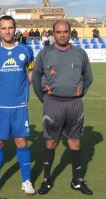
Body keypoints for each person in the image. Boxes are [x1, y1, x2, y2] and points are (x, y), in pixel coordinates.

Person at [32, 20, 94, 196]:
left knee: (75, 141)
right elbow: (36, 78)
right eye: (58, 32)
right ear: (53, 33)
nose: (62, 34)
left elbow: (88, 77)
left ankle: (77, 180)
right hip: (52, 103)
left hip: (74, 104)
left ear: (70, 32)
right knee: (51, 141)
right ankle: (47, 179)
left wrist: (78, 93)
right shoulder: (45, 53)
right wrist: (44, 98)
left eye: (65, 31)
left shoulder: (80, 53)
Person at [0, 15, 36, 196]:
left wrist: (24, 87)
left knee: (21, 142)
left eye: (10, 27)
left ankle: (26, 180)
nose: (7, 31)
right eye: (4, 28)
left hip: (19, 106)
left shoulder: (26, 50)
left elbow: (32, 70)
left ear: (15, 29)